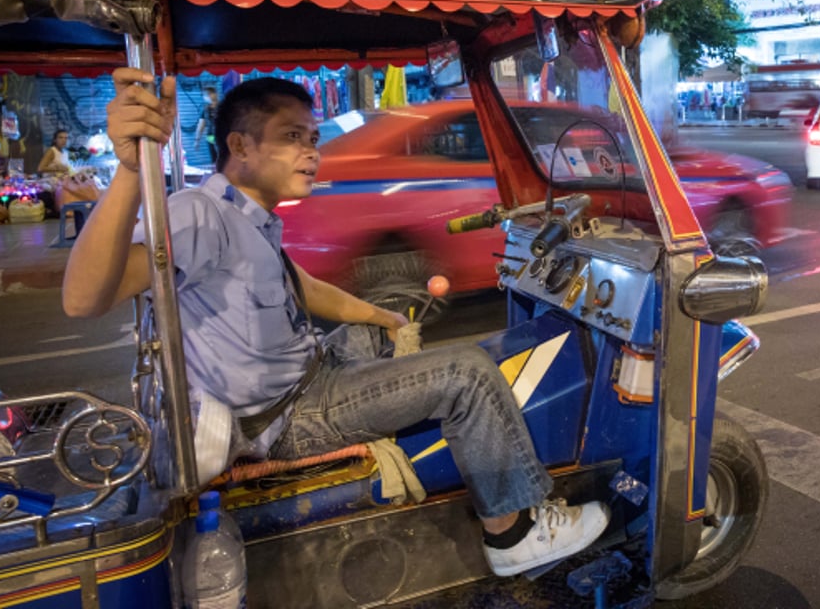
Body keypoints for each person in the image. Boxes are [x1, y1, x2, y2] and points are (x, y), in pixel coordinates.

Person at [62, 69, 609, 577]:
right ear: (241, 146)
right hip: (289, 418)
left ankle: (447, 428)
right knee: (467, 371)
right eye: (292, 137)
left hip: (312, 372)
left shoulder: (246, 214)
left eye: (313, 139)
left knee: (377, 333)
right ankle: (512, 533)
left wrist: (383, 316)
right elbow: (85, 298)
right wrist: (132, 172)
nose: (311, 153)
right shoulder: (199, 214)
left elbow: (300, 285)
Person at [194, 86, 220, 166]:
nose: (207, 96)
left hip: (222, 137)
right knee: (214, 160)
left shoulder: (223, 107)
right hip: (211, 137)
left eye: (209, 94)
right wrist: (197, 140)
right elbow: (201, 125)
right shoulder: (205, 110)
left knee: (224, 159)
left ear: (215, 94)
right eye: (205, 95)